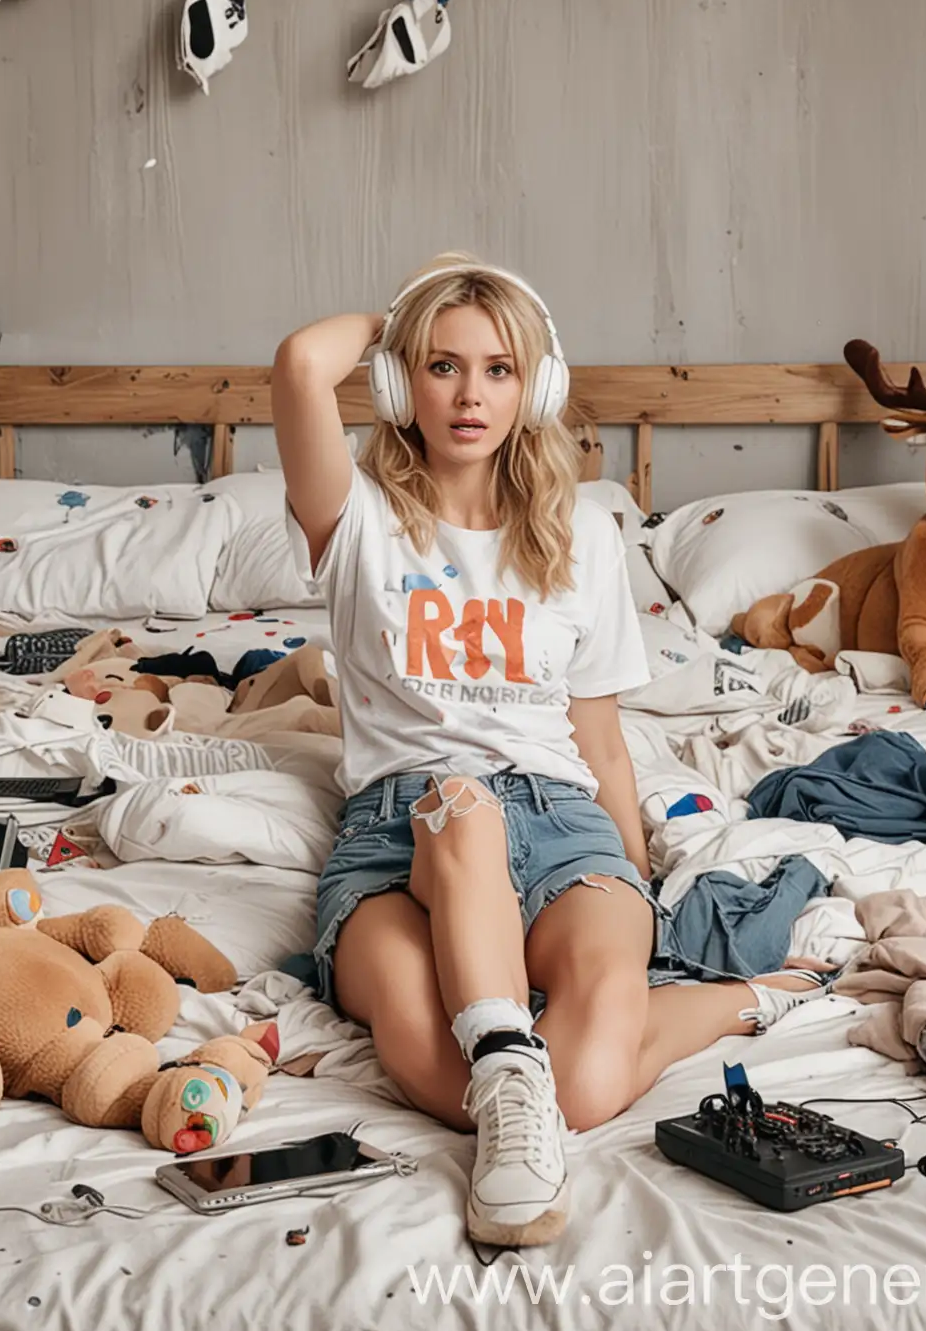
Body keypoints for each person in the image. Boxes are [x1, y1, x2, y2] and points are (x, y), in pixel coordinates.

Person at [273, 255, 830, 1247]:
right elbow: (299, 364)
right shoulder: (357, 517)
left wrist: (638, 881)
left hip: (561, 822)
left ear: (537, 386)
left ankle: (734, 1002)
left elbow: (600, 737)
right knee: (458, 840)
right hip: (401, 835)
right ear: (403, 384)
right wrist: (398, 323)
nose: (470, 393)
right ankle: (503, 1064)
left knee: (584, 1087)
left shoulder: (581, 531)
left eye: (498, 368)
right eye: (440, 367)